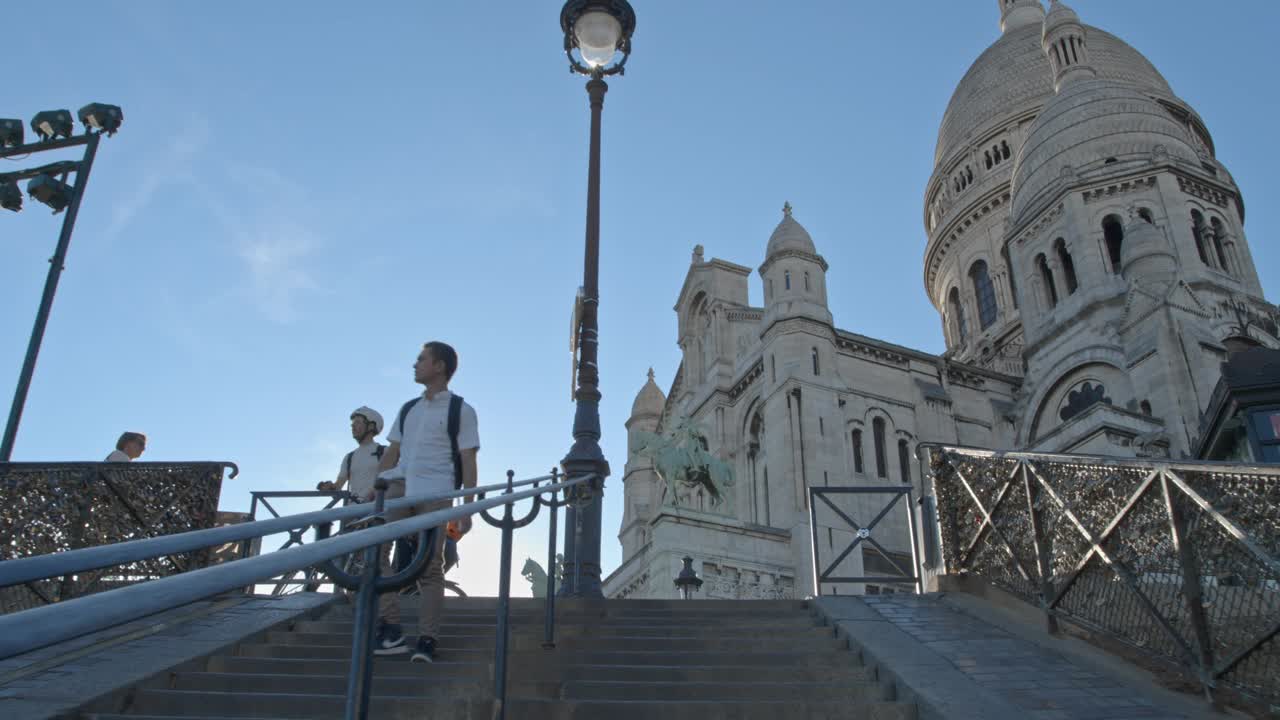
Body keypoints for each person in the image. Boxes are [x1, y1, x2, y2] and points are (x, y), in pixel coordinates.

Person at [373, 341, 479, 663]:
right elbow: (393, 450)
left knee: (430, 567)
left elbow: (468, 459)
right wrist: (376, 483)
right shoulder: (409, 408)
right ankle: (391, 626)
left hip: (436, 491)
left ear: (440, 366)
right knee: (374, 548)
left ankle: (427, 638)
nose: (414, 364)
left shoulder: (461, 409)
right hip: (399, 487)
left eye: (421, 359)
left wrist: (466, 507)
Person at [317, 407, 386, 502]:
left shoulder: (385, 451)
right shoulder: (349, 457)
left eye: (357, 422)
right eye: (352, 423)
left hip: (376, 508)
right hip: (353, 511)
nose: (352, 426)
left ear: (371, 426)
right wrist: (330, 488)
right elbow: (338, 486)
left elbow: (394, 480)